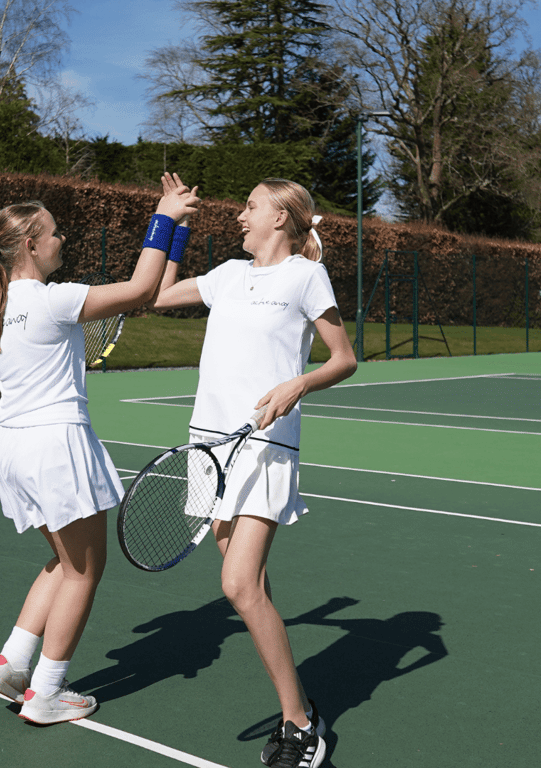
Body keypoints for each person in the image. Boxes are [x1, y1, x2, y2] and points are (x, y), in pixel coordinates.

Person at [0, 174, 200, 725]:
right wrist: (166, 218)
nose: (62, 240)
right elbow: (145, 290)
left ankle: (12, 661)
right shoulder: (56, 301)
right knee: (83, 572)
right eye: (54, 233)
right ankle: (47, 693)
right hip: (57, 446)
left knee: (63, 561)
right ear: (30, 244)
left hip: (12, 450)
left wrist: (178, 229)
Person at [148, 179, 357, 767]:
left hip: (265, 445)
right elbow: (160, 295)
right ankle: (300, 703)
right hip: (209, 443)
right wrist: (177, 224)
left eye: (251, 207)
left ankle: (301, 723)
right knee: (253, 589)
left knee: (238, 585)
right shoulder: (227, 275)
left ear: (282, 219)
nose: (240, 215)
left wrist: (299, 382)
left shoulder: (305, 277)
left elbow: (344, 358)